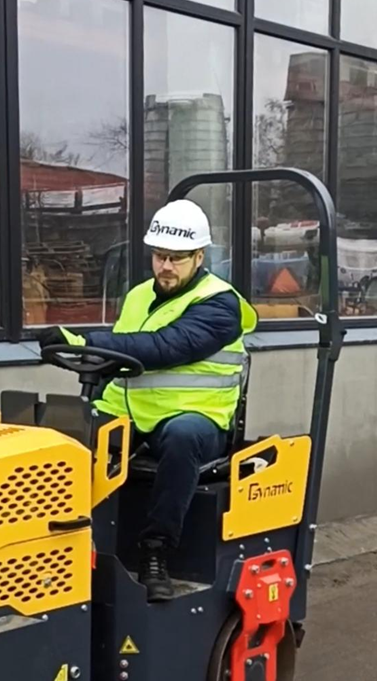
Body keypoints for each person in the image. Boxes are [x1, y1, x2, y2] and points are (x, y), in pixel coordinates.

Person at [38, 199, 258, 602]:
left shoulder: (220, 305)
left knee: (181, 437)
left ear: (199, 257)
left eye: (176, 258)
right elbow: (123, 358)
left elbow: (164, 346)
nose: (166, 267)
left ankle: (156, 552)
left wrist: (84, 341)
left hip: (197, 420)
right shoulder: (139, 296)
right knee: (58, 433)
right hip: (131, 414)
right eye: (159, 256)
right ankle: (48, 546)